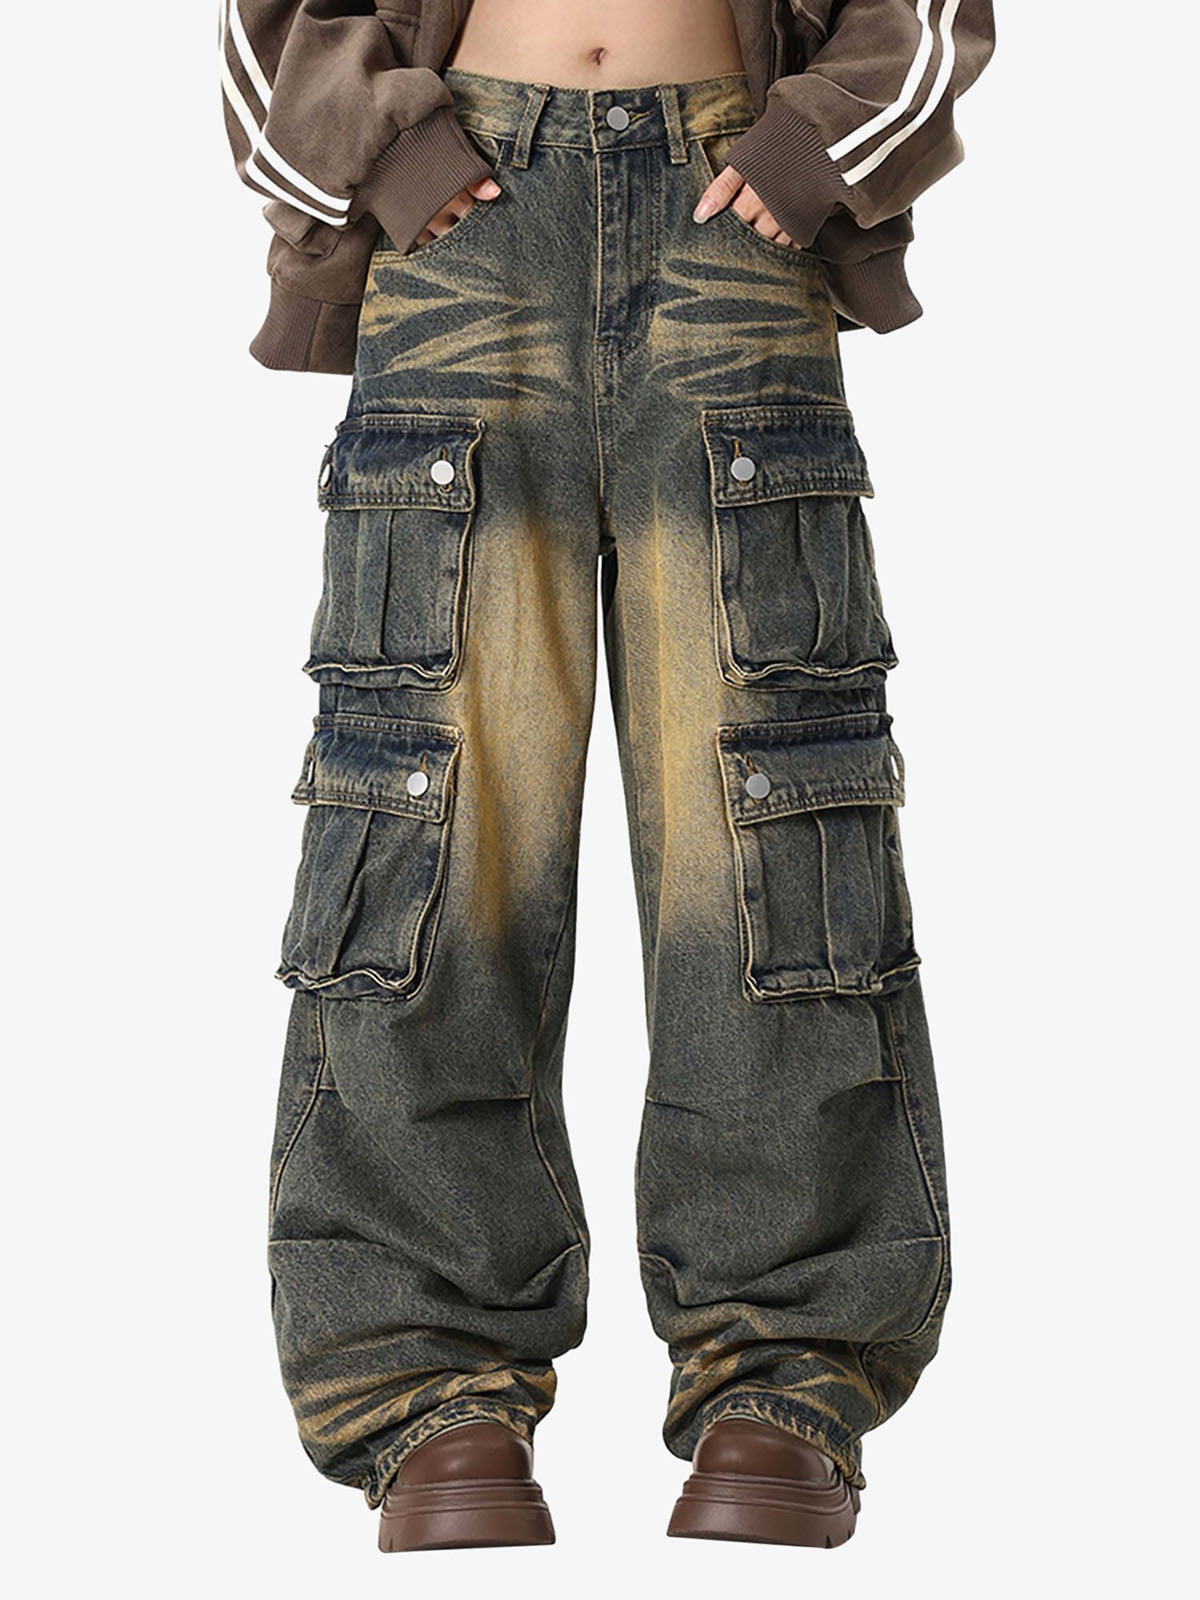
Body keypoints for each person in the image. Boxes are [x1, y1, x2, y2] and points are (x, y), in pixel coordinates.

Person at [220, 0, 995, 1552]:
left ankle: (785, 1375)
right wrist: (388, 151)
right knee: (431, 809)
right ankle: (427, 1385)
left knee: (766, 808)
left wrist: (816, 140)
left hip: (737, 202)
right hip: (460, 212)